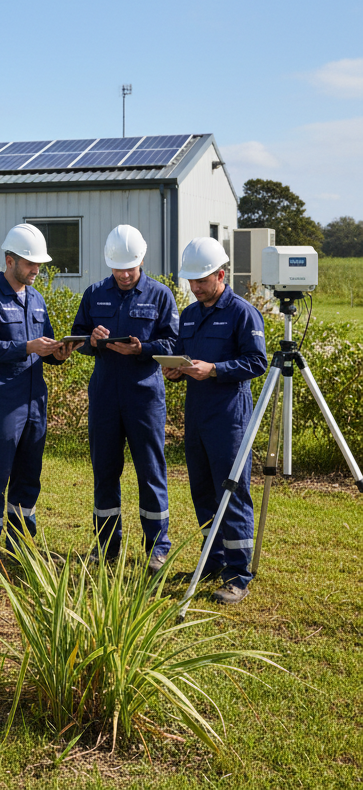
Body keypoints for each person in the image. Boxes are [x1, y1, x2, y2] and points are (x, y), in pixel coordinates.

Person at [162, 237, 268, 605]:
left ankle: (238, 574)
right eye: (190, 282)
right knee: (203, 490)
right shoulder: (189, 314)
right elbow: (182, 355)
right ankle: (213, 560)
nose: (194, 288)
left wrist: (216, 369)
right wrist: (175, 370)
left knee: (232, 492)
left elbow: (257, 362)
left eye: (201, 281)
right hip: (197, 414)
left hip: (230, 416)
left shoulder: (242, 312)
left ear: (221, 275)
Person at [71, 225, 179, 572]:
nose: (124, 274)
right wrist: (93, 339)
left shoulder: (161, 295)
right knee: (105, 471)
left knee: (151, 471)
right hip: (104, 395)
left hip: (144, 396)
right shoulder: (94, 293)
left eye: (130, 268)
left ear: (142, 260)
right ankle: (106, 545)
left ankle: (157, 547)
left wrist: (141, 349)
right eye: (117, 269)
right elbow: (78, 340)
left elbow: (174, 344)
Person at [0, 223, 77, 569]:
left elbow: (43, 346)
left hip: (34, 401)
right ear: (10, 260)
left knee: (29, 475)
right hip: (3, 400)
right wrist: (27, 347)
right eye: (30, 264)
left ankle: (21, 544)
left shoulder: (37, 300)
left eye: (39, 265)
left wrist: (57, 354)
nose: (36, 271)